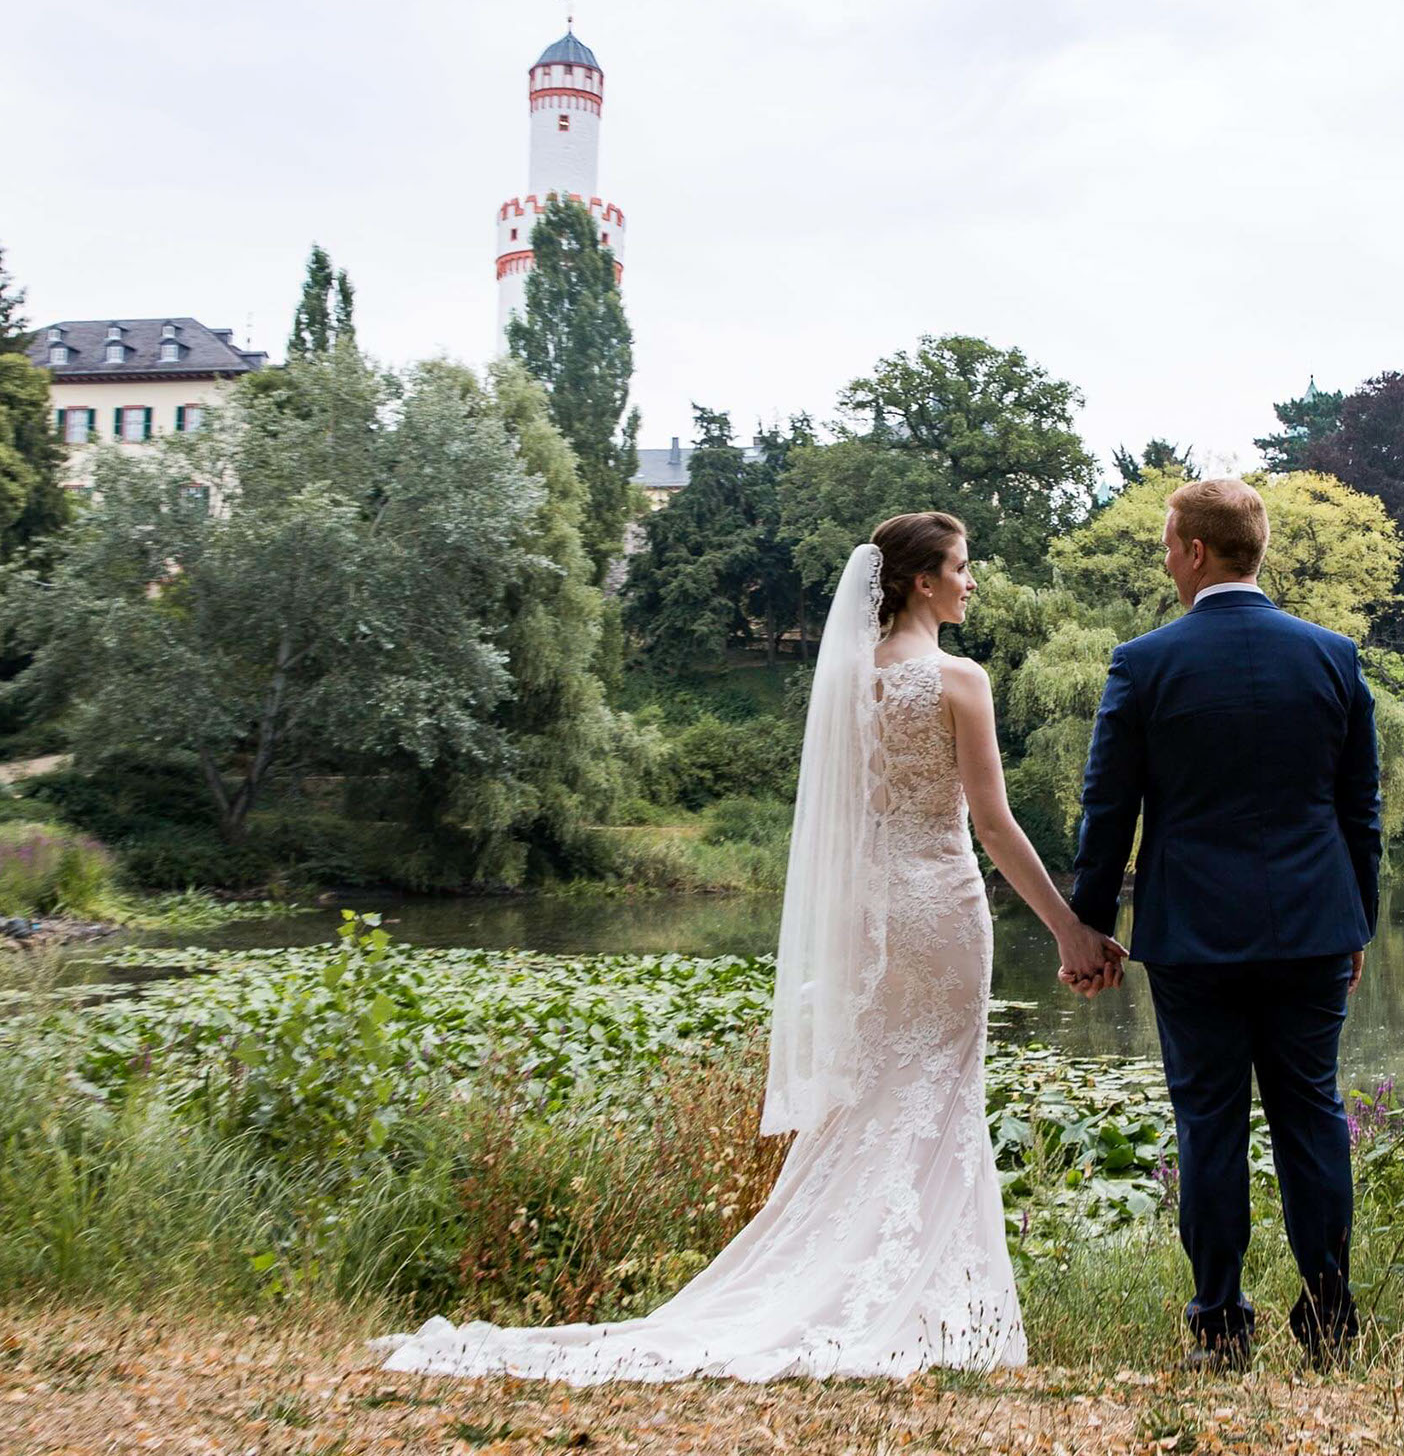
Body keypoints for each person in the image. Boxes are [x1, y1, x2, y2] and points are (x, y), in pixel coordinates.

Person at [371, 511, 1124, 1382]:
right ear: (923, 580)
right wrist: (1068, 927)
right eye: (962, 567)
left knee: (880, 1094)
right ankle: (924, 1308)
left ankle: (897, 1298)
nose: (971, 581)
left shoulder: (844, 680)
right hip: (942, 911)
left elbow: (839, 823)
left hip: (872, 918)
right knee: (937, 1095)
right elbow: (992, 824)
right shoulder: (960, 680)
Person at [1069, 476, 1382, 1372]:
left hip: (1195, 935)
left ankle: (1218, 1328)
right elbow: (1360, 810)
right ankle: (1329, 1323)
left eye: (1169, 544)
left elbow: (1108, 809)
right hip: (1317, 928)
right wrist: (1356, 921)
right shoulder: (1333, 657)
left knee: (1210, 1123)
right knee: (1311, 1116)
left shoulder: (1145, 663)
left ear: (1197, 552)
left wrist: (1090, 925)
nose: (1166, 558)